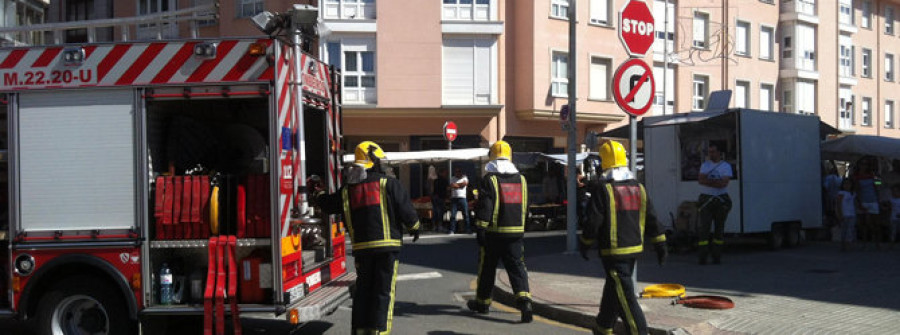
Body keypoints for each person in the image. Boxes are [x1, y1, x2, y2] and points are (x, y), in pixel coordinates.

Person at [312, 141, 420, 335]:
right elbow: (406, 210)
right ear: (374, 161)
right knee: (383, 292)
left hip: (362, 249)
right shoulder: (389, 183)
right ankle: (379, 332)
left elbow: (328, 205)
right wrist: (415, 227)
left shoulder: (347, 190)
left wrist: (317, 193)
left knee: (363, 293)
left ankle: (360, 331)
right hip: (388, 248)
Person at [579, 140, 667, 335]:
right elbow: (651, 217)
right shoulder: (638, 187)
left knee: (626, 299)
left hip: (613, 252)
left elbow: (594, 221)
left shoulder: (604, 189)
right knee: (614, 289)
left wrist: (584, 243)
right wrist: (660, 244)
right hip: (634, 249)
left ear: (604, 163)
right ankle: (603, 327)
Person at [466, 140, 533, 323]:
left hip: (494, 234)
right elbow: (526, 206)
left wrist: (480, 227)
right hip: (516, 233)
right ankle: (524, 301)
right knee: (517, 268)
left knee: (487, 269)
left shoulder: (490, 180)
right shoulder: (522, 179)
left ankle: (483, 303)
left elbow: (486, 206)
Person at [696, 143, 732, 265]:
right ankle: (703, 257)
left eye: (713, 152)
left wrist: (708, 181)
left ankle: (717, 256)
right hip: (706, 200)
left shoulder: (726, 166)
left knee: (719, 229)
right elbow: (700, 180)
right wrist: (716, 181)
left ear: (719, 153)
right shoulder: (705, 165)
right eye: (709, 152)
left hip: (720, 200)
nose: (711, 154)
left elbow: (724, 184)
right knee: (704, 229)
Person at [853, 157, 882, 249]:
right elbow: (856, 190)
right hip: (862, 200)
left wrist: (877, 177)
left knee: (875, 224)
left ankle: (877, 243)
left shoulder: (872, 174)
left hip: (873, 200)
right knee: (863, 224)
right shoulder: (855, 176)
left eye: (865, 164)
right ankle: (864, 243)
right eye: (862, 164)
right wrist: (859, 202)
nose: (863, 166)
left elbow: (878, 186)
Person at [835, 179, 857, 252]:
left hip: (852, 213)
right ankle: (843, 245)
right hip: (844, 214)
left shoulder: (853, 193)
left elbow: (854, 203)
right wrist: (839, 214)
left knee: (850, 230)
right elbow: (838, 204)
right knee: (844, 230)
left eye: (849, 184)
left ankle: (849, 244)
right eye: (845, 184)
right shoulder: (841, 193)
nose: (847, 186)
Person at [448, 167, 471, 234]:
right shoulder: (452, 178)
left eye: (458, 172)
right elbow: (452, 185)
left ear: (461, 172)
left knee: (466, 214)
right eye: (456, 172)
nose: (457, 173)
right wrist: (460, 185)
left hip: (462, 198)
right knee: (453, 215)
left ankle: (468, 229)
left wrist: (457, 185)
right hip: (454, 198)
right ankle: (452, 230)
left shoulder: (465, 177)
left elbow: (464, 185)